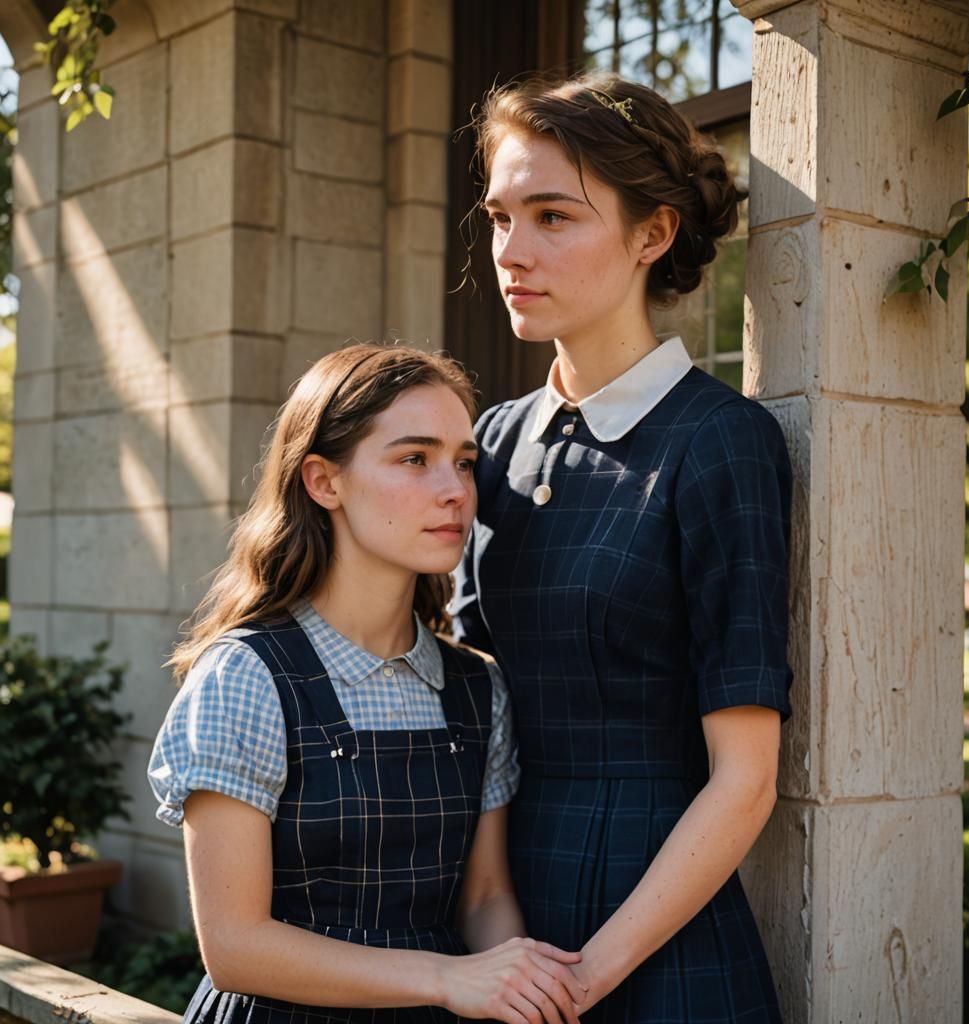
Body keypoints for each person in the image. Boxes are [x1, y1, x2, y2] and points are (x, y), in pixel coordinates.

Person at [453, 73, 793, 1023]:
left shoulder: (718, 441)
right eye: (500, 216)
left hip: (649, 932)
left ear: (654, 233)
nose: (512, 252)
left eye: (553, 216)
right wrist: (495, 945)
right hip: (495, 919)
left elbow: (747, 777)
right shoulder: (494, 438)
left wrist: (582, 979)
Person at [148, 344, 588, 1024]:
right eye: (415, 459)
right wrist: (447, 978)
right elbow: (234, 945)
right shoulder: (247, 677)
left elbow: (483, 898)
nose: (454, 491)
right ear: (324, 481)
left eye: (464, 463)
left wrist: (520, 989)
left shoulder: (477, 688)